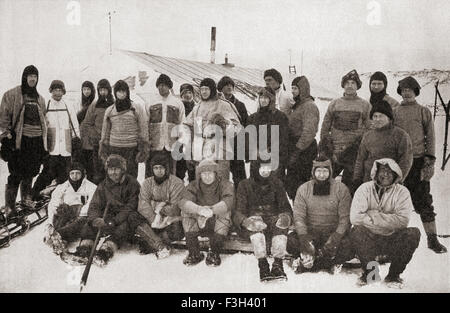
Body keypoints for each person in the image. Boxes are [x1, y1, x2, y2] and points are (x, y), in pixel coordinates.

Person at [394, 76, 447, 253]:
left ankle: (432, 239)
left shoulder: (423, 111)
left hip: (418, 162)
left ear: (415, 91)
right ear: (400, 92)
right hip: (399, 163)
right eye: (403, 89)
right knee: (395, 201)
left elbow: (430, 136)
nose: (406, 92)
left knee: (423, 201)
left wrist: (429, 161)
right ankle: (392, 240)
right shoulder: (395, 111)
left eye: (410, 89)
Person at [350, 158, 421, 288]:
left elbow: (402, 221)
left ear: (396, 174)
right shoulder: (364, 189)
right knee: (357, 231)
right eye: (382, 170)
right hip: (369, 239)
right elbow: (355, 218)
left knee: (413, 233)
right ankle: (371, 274)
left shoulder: (402, 192)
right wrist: (389, 219)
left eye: (390, 171)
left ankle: (393, 276)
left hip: (392, 239)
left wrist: (373, 215)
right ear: (375, 173)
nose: (386, 174)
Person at [287, 156, 353, 275]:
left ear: (330, 172)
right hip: (311, 233)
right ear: (313, 172)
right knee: (291, 240)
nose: (322, 175)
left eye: (325, 171)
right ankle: (325, 262)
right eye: (318, 171)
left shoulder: (341, 189)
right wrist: (304, 239)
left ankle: (311, 263)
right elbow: (299, 217)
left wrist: (336, 238)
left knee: (350, 243)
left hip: (332, 234)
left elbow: (345, 218)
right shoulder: (303, 189)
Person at [75, 154, 142, 265]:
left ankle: (105, 251)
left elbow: (131, 207)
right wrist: (95, 219)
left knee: (122, 229)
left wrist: (113, 222)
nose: (113, 172)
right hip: (107, 216)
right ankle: (84, 249)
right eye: (110, 169)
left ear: (122, 170)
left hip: (123, 219)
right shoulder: (103, 185)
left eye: (116, 169)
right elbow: (95, 205)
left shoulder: (132, 184)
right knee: (88, 225)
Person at [0, 65, 47, 220]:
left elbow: (44, 122)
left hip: (36, 142)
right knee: (16, 173)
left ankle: (26, 198)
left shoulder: (40, 98)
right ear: (24, 77)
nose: (33, 79)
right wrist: (6, 137)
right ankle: (9, 206)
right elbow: (4, 118)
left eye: (35, 76)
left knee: (32, 170)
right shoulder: (12, 94)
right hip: (20, 142)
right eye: (30, 76)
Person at [234, 158, 292, 282]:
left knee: (280, 226)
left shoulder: (277, 183)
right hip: (254, 220)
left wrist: (285, 217)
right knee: (257, 229)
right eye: (262, 168)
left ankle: (278, 264)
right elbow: (238, 211)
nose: (266, 171)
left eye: (268, 168)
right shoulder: (244, 185)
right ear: (255, 168)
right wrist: (247, 222)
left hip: (273, 219)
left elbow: (285, 206)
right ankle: (263, 265)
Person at [320, 69, 372, 188]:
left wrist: (360, 145)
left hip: (354, 153)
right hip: (335, 152)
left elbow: (370, 128)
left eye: (353, 83)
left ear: (357, 86)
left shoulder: (364, 105)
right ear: (343, 85)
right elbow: (325, 126)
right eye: (347, 83)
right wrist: (326, 145)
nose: (350, 86)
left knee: (350, 186)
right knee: (324, 181)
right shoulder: (335, 103)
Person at [183, 78, 241, 181]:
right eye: (202, 89)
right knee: (202, 180)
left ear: (213, 90)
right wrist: (189, 147)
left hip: (219, 146)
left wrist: (223, 128)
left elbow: (237, 126)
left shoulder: (224, 105)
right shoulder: (197, 107)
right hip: (200, 148)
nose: (204, 92)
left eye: (207, 89)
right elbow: (187, 125)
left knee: (220, 179)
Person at [179, 159, 234, 266]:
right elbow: (183, 201)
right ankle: (194, 253)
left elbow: (229, 201)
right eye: (204, 173)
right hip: (200, 223)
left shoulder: (225, 184)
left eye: (210, 173)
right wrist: (199, 210)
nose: (207, 176)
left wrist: (212, 210)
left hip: (218, 226)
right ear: (200, 174)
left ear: (215, 174)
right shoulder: (193, 185)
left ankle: (214, 253)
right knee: (186, 212)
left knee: (225, 212)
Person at [32, 80, 80, 200]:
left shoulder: (68, 105)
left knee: (64, 173)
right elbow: (42, 124)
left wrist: (76, 138)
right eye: (55, 90)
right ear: (51, 91)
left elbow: (74, 124)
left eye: (59, 90)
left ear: (63, 91)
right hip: (51, 146)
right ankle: (34, 194)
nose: (57, 92)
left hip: (65, 146)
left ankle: (59, 196)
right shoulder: (47, 104)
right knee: (48, 172)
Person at [352, 100, 413, 191]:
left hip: (389, 183)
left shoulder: (400, 135)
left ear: (389, 118)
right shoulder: (368, 135)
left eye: (381, 116)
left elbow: (406, 161)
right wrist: (356, 179)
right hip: (369, 182)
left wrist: (397, 180)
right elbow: (360, 159)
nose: (377, 119)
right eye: (375, 116)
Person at [135, 153, 185, 259]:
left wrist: (160, 210)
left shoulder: (176, 183)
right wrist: (154, 220)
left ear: (167, 169)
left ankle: (151, 241)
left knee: (176, 228)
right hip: (152, 221)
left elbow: (175, 206)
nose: (159, 171)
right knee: (134, 217)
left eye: (162, 168)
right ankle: (159, 245)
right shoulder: (147, 183)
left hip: (169, 221)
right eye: (156, 168)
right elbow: (143, 204)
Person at [99, 80, 149, 178]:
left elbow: (143, 128)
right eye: (119, 91)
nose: (121, 94)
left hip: (131, 148)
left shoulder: (136, 108)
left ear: (127, 92)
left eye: (123, 91)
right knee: (115, 176)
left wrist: (143, 147)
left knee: (130, 176)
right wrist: (104, 148)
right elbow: (105, 131)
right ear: (115, 93)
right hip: (114, 148)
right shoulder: (110, 110)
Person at [43, 162, 97, 254]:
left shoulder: (90, 186)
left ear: (82, 174)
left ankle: (59, 235)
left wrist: (81, 213)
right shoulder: (63, 186)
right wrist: (50, 222)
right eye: (72, 173)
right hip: (67, 215)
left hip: (81, 215)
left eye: (77, 173)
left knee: (83, 222)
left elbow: (92, 202)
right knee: (61, 210)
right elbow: (53, 203)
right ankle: (61, 242)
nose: (75, 176)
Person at [285, 76, 320, 200]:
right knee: (293, 185)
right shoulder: (299, 106)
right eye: (292, 88)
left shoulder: (309, 106)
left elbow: (309, 132)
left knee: (302, 186)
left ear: (303, 89)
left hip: (304, 150)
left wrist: (297, 150)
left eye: (295, 88)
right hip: (296, 147)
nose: (293, 91)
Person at [144, 74, 185, 178]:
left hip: (171, 147)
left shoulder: (177, 103)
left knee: (170, 175)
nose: (162, 88)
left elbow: (182, 125)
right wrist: (146, 143)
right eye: (159, 85)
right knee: (152, 175)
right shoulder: (150, 102)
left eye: (164, 85)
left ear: (169, 86)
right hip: (154, 146)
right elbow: (145, 124)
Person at [246, 87, 289, 181]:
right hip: (257, 159)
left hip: (274, 160)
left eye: (266, 98)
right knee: (255, 186)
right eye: (261, 98)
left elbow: (284, 139)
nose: (263, 100)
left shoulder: (280, 117)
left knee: (274, 187)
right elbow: (248, 139)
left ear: (272, 99)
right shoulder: (252, 118)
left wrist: (270, 151)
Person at [217, 76, 249, 189]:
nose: (229, 87)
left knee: (239, 177)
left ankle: (241, 201)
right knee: (222, 175)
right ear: (220, 88)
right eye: (226, 85)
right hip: (221, 145)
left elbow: (245, 126)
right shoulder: (216, 104)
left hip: (236, 145)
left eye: (231, 85)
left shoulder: (240, 105)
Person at [81, 79, 114, 184]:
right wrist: (94, 136)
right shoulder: (94, 105)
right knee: (97, 171)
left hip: (112, 143)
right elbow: (87, 123)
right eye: (101, 90)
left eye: (105, 90)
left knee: (111, 169)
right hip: (97, 144)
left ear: (109, 90)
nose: (103, 92)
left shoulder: (115, 104)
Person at [175, 83, 197, 182]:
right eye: (184, 93)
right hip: (180, 146)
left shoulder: (197, 108)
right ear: (181, 95)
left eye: (189, 92)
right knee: (179, 174)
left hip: (193, 146)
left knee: (193, 175)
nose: (187, 95)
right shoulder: (177, 108)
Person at [77, 81, 96, 181]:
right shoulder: (80, 102)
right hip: (81, 136)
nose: (86, 91)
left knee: (91, 164)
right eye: (84, 89)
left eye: (88, 89)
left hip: (90, 136)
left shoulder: (95, 103)